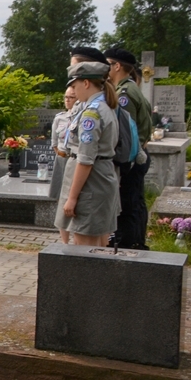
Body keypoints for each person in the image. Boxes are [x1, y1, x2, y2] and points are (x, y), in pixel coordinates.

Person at [54, 61, 120, 246]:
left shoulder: (92, 113)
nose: (74, 92)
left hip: (91, 183)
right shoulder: (102, 106)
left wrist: (72, 198)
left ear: (86, 83)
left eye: (75, 86)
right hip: (99, 177)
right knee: (98, 246)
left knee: (84, 248)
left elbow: (85, 159)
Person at [105, 47, 153, 249]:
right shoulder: (131, 88)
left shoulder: (124, 93)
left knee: (128, 204)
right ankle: (136, 241)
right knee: (135, 201)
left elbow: (126, 133)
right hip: (137, 154)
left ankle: (129, 244)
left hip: (131, 158)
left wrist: (122, 162)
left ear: (117, 66)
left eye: (107, 64)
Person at [52, 85, 78, 244]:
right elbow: (54, 143)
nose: (67, 100)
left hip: (75, 160)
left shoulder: (81, 117)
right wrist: (60, 154)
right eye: (66, 97)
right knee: (61, 199)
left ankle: (77, 237)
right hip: (62, 160)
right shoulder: (59, 118)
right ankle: (64, 241)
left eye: (71, 97)